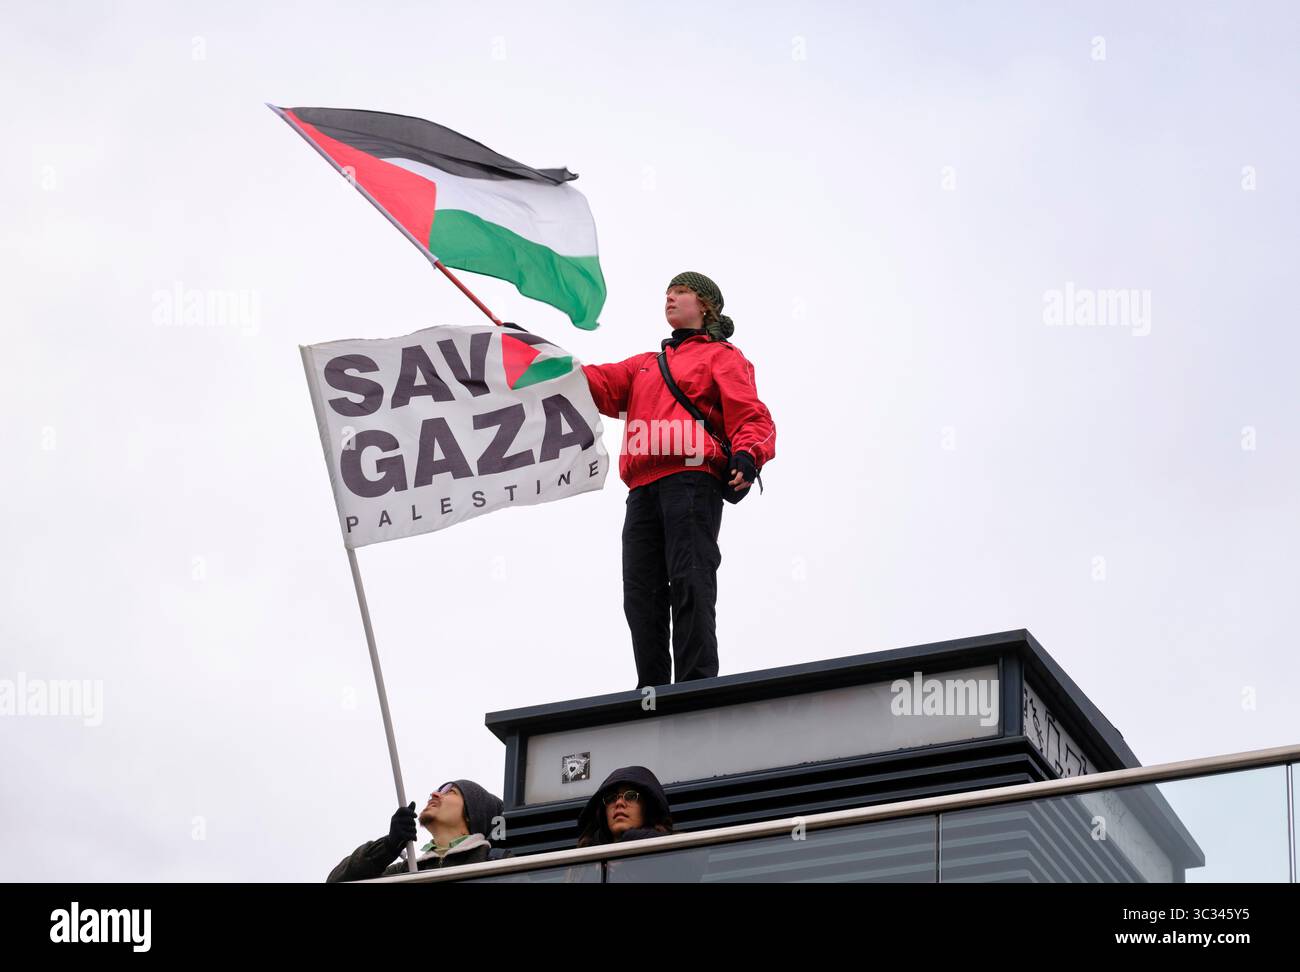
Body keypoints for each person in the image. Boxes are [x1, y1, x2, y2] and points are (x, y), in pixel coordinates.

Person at [582, 272, 777, 687]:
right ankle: (650, 689)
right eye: (667, 293)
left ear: (705, 305)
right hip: (642, 490)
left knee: (690, 578)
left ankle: (694, 686)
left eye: (681, 291)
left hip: (691, 480)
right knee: (641, 592)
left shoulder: (721, 357)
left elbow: (752, 416)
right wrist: (539, 354)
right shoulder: (643, 366)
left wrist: (748, 453)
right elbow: (594, 382)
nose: (669, 297)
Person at [326, 779, 510, 882]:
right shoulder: (405, 872)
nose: (435, 794)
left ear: (473, 813)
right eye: (436, 790)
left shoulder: (498, 863)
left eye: (451, 792)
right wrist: (388, 846)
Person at [576, 766, 675, 847]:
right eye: (611, 798)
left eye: (631, 796)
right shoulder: (580, 866)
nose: (619, 802)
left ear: (648, 808)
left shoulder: (678, 851)